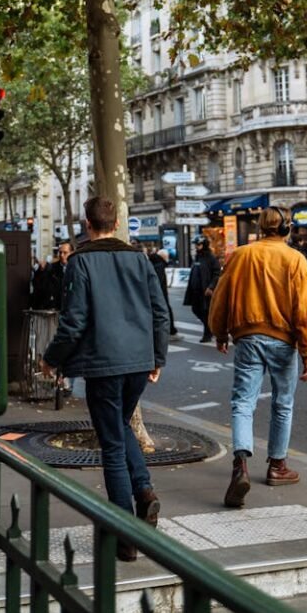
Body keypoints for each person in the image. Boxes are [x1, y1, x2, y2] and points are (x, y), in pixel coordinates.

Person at [41, 196, 170, 561]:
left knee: (111, 442)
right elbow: (160, 312)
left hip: (102, 363)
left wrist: (51, 360)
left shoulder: (80, 263)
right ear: (116, 223)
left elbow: (74, 321)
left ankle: (124, 535)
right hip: (138, 363)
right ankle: (144, 490)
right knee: (121, 426)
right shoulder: (139, 259)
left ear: (87, 222)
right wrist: (157, 357)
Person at [208, 206, 307, 508]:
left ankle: (241, 462)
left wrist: (219, 333)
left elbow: (220, 298)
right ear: (286, 229)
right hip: (284, 341)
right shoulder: (295, 259)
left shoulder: (241, 255)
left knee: (243, 402)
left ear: (260, 227)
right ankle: (277, 466)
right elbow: (304, 312)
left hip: (248, 337)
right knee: (283, 403)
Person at [183, 236, 221, 342]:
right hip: (195, 290)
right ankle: (210, 328)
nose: (196, 246)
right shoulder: (197, 257)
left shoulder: (211, 258)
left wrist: (211, 287)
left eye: (198, 244)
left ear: (204, 245)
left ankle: (208, 333)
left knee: (205, 312)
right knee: (195, 309)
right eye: (195, 244)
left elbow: (217, 274)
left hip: (205, 291)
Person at [147, 245, 177, 336]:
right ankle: (170, 329)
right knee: (164, 310)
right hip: (160, 293)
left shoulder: (154, 263)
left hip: (159, 292)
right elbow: (158, 281)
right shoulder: (160, 265)